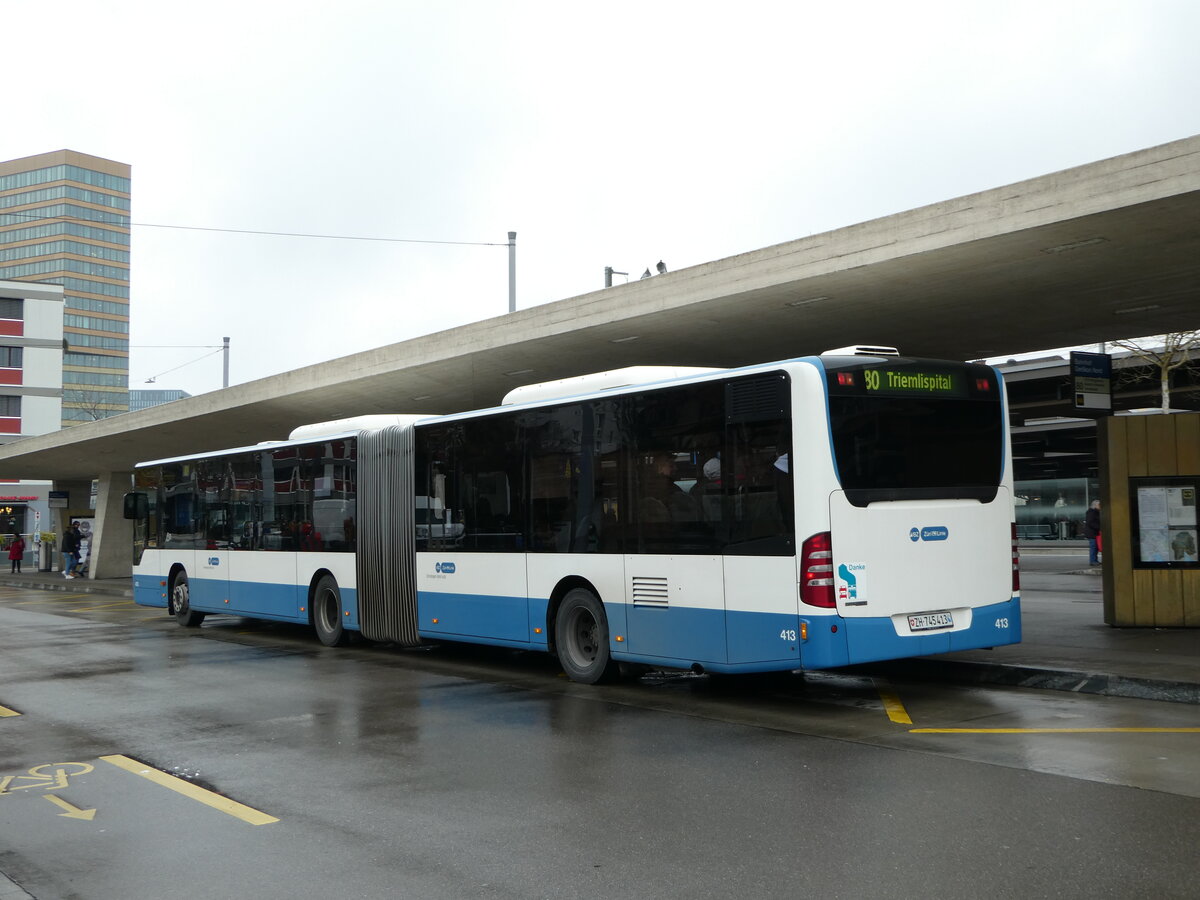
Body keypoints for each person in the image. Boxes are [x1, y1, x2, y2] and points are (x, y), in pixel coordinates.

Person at [1083, 500, 1102, 566]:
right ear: (1095, 505)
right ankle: (1093, 561)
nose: (1100, 506)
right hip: (1092, 532)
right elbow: (1090, 522)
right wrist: (1099, 527)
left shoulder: (1095, 512)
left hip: (1094, 532)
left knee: (1095, 547)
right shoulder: (1092, 512)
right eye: (1099, 505)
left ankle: (1095, 560)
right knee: (1093, 547)